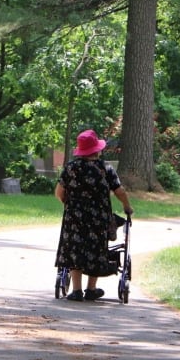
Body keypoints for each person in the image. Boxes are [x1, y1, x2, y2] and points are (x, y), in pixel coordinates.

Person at [55, 129, 133, 301]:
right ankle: (91, 288)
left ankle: (76, 290)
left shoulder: (71, 168)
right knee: (96, 249)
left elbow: (59, 192)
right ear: (97, 149)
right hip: (99, 217)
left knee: (75, 249)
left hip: (74, 217)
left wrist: (68, 203)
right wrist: (127, 206)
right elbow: (119, 191)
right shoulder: (106, 169)